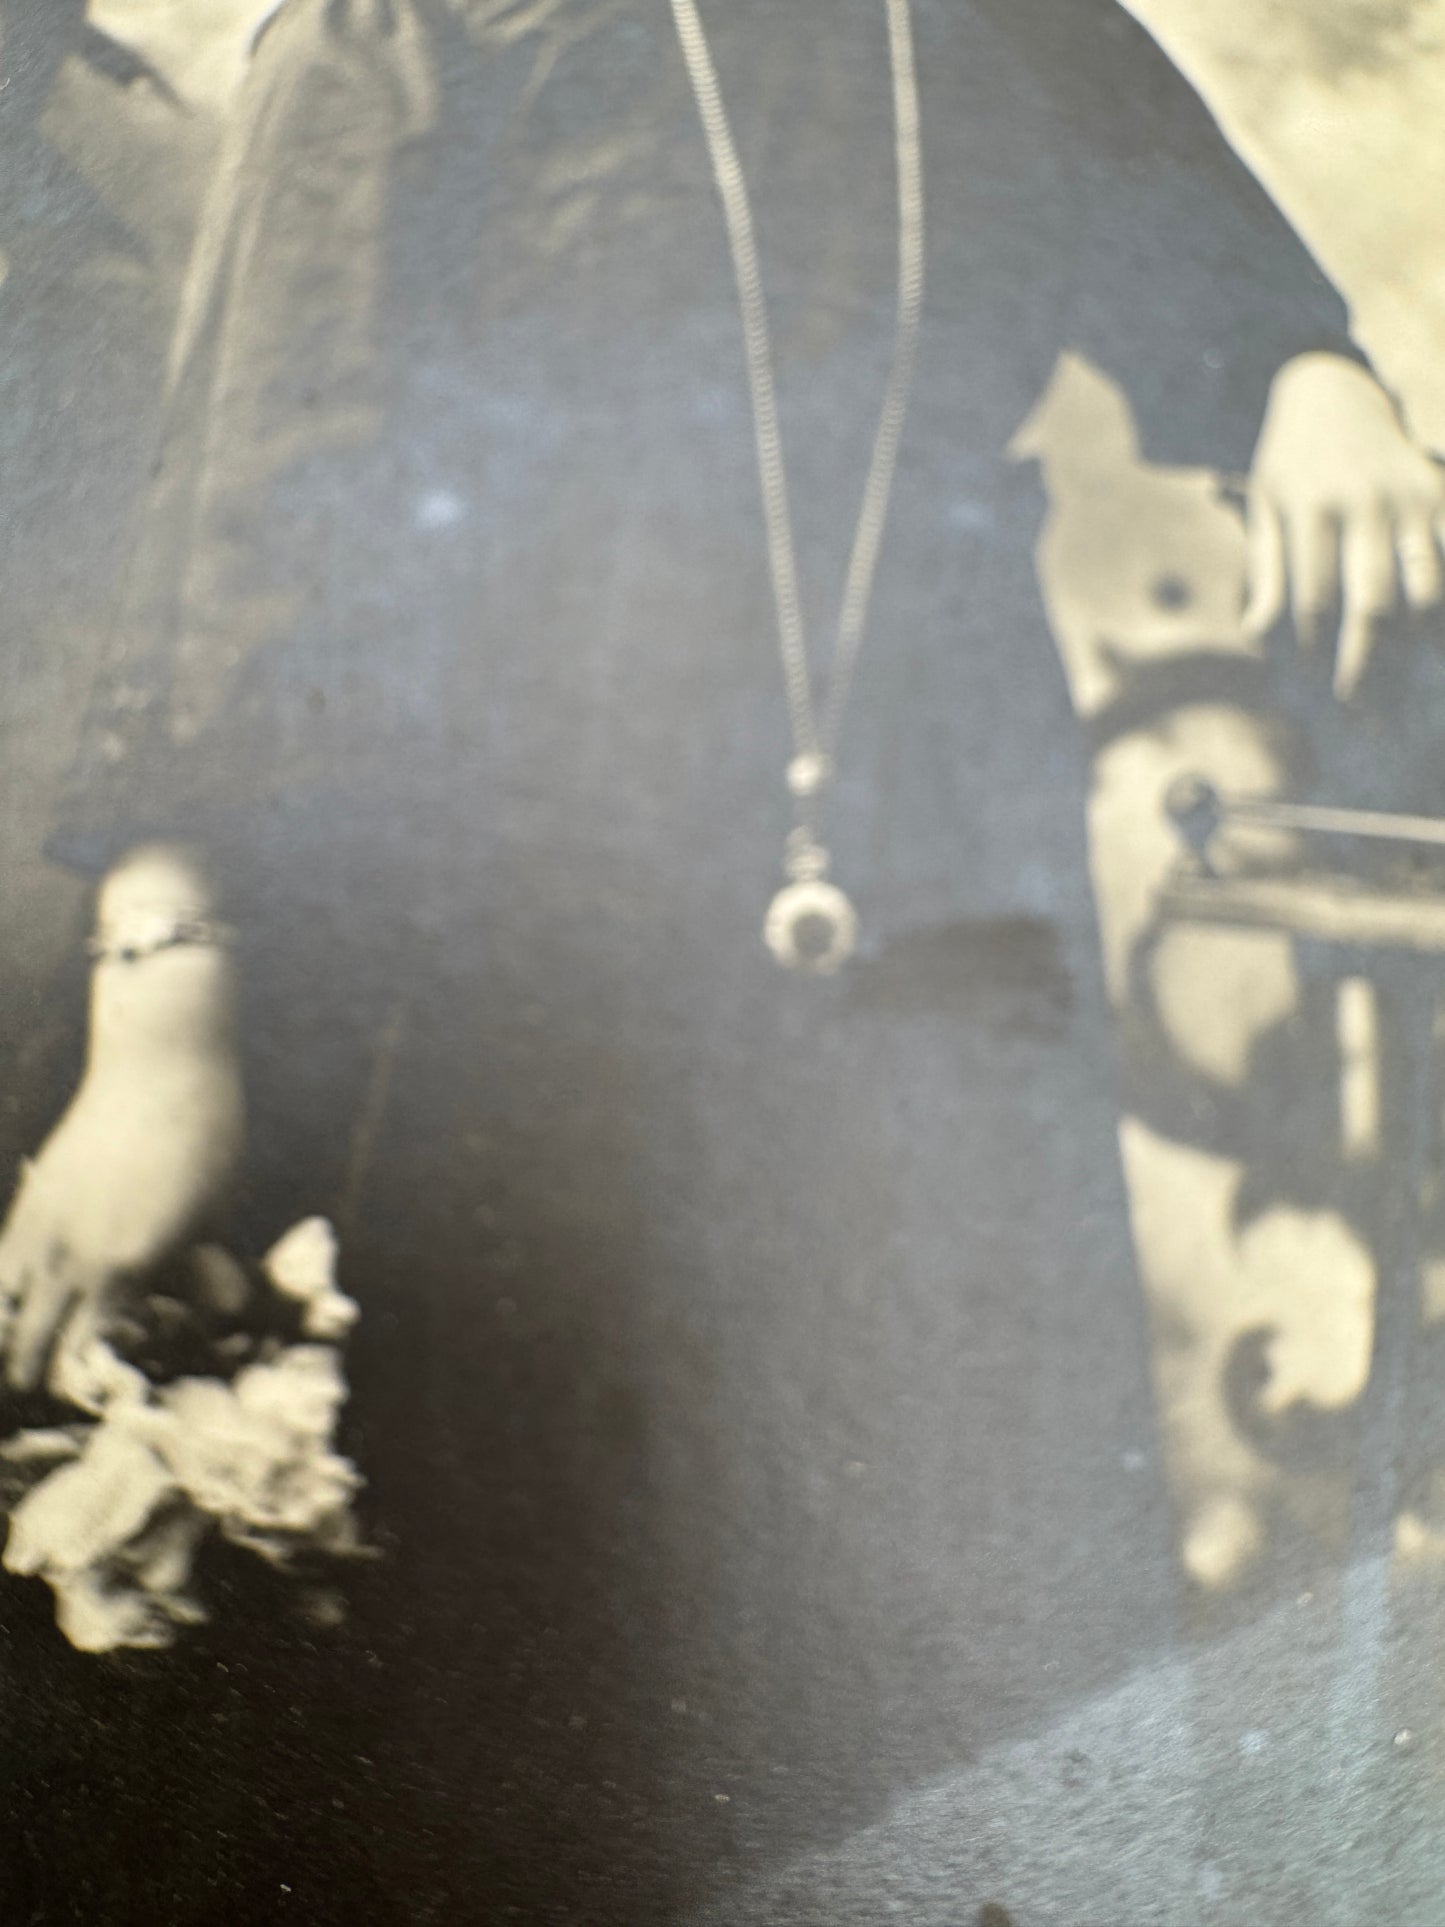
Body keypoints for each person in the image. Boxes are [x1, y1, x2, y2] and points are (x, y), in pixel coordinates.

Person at [2, 0, 1442, 1916]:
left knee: (989, 1695)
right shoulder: (395, 28)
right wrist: (165, 1025)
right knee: (567, 1712)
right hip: (550, 1047)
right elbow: (261, 547)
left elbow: (1166, 219)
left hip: (950, 1017)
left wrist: (1300, 372)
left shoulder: (982, 28)